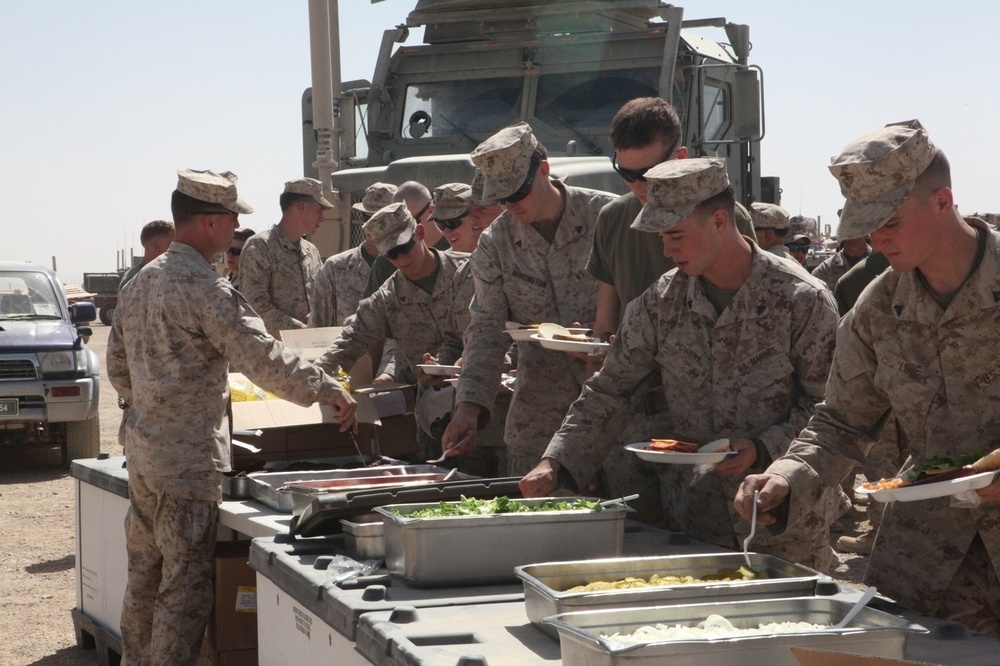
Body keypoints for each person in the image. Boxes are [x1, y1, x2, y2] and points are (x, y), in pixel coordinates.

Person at [735, 120, 1000, 636]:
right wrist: (784, 476)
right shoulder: (878, 308)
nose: (878, 240)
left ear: (942, 200)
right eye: (868, 225)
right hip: (929, 566)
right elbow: (841, 422)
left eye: (892, 222)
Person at [520, 158, 845, 572]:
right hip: (696, 518)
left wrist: (764, 447)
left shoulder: (803, 300)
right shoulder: (661, 303)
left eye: (675, 236)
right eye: (661, 238)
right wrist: (557, 461)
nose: (666, 251)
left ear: (719, 221)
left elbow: (830, 411)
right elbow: (611, 389)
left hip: (781, 520)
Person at [107, 169, 357, 666]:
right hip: (187, 463)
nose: (233, 232)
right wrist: (326, 387)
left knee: (144, 578)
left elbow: (117, 366)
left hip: (143, 453)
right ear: (210, 223)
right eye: (230, 222)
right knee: (183, 590)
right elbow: (261, 358)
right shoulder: (207, 288)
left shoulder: (140, 283)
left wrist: (153, 410)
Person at [441, 122, 616, 475]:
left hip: (614, 416)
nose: (510, 206)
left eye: (517, 193)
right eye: (501, 198)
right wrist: (468, 407)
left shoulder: (606, 218)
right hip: (539, 422)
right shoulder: (496, 242)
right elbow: (486, 329)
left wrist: (609, 342)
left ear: (545, 171)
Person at [315, 202, 466, 458]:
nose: (402, 259)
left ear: (419, 232)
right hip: (437, 424)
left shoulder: (471, 271)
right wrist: (310, 381)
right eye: (392, 255)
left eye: (405, 247)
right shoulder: (388, 299)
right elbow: (349, 341)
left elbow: (513, 328)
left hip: (494, 415)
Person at [239, 177, 333, 336]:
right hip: (274, 353)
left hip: (309, 350)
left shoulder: (311, 251)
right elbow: (254, 307)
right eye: (319, 210)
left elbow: (322, 296)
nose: (322, 218)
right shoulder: (260, 247)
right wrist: (300, 330)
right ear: (302, 207)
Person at [308, 183, 397, 328]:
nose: (370, 225)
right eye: (365, 217)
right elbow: (317, 329)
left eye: (379, 219)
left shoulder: (408, 265)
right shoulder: (335, 268)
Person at [118, 220, 175, 291]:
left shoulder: (156, 272)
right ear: (156, 246)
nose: (176, 248)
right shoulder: (135, 278)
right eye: (172, 244)